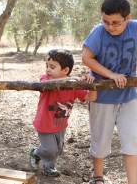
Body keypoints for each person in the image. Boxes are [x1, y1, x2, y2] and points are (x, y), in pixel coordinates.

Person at [82, 0, 137, 184]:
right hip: (102, 97)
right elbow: (86, 58)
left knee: (131, 139)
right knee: (101, 139)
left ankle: (133, 181)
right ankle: (98, 177)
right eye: (106, 21)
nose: (110, 26)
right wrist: (111, 75)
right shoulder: (98, 32)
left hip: (129, 95)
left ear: (127, 18)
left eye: (116, 23)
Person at [29, 49, 97, 177]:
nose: (48, 69)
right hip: (44, 123)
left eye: (52, 67)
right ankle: (36, 152)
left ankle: (49, 167)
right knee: (50, 149)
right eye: (47, 66)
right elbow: (45, 85)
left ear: (65, 70)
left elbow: (91, 98)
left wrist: (90, 85)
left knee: (58, 150)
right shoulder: (45, 80)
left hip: (60, 124)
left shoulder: (74, 85)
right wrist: (71, 80)